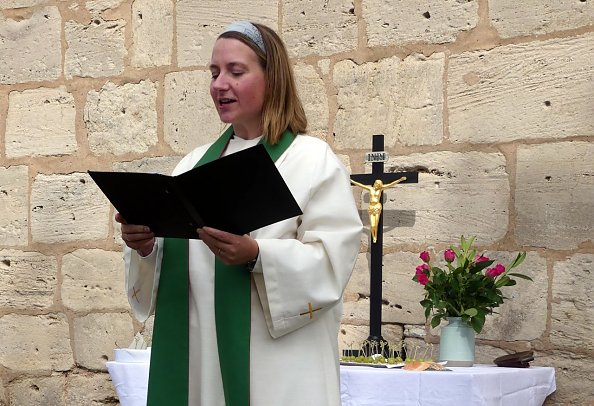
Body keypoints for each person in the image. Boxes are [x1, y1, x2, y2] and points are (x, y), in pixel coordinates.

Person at [116, 21, 363, 406]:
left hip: (277, 368)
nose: (219, 84)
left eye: (235, 71)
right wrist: (144, 246)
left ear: (272, 77)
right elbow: (172, 261)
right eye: (214, 73)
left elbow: (332, 262)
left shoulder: (313, 161)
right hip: (200, 360)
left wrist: (258, 255)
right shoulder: (191, 166)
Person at [350, 177, 406, 243]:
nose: (376, 185)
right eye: (376, 184)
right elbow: (360, 185)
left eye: (378, 184)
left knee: (375, 224)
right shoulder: (370, 189)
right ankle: (373, 235)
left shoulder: (380, 189)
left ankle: (375, 237)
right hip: (371, 207)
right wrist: (352, 181)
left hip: (377, 206)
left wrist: (400, 180)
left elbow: (391, 184)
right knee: (372, 224)